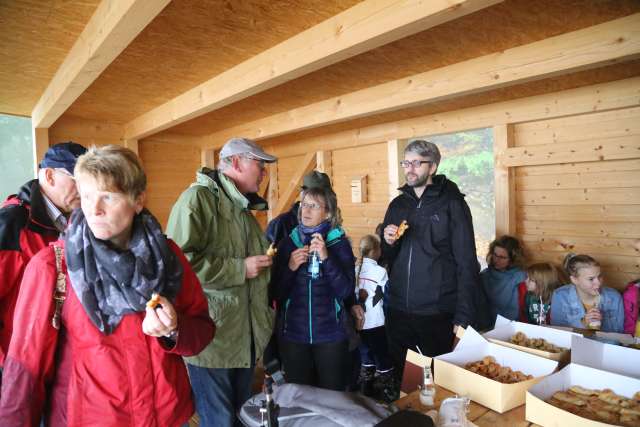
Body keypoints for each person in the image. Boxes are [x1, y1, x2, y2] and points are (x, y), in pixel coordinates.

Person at [0, 145, 214, 426]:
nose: (94, 209)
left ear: (138, 200)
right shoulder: (52, 266)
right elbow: (25, 371)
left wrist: (174, 330)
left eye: (108, 197)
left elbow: (203, 330)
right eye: (86, 195)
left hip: (167, 417)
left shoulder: (167, 254)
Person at [166, 137, 276, 427]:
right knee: (220, 422)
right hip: (212, 342)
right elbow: (178, 265)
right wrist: (240, 269)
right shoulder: (198, 200)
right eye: (259, 165)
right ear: (237, 162)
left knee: (241, 419)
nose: (264, 173)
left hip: (242, 341)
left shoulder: (242, 210)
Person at [381, 140, 477, 386]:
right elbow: (387, 258)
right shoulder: (397, 204)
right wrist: (388, 241)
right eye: (406, 162)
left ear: (432, 167)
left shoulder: (452, 204)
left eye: (417, 163)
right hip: (398, 308)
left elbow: (467, 262)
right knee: (403, 378)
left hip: (437, 312)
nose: (409, 169)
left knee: (435, 382)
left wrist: (462, 316)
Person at [0, 141, 86, 382]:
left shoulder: (74, 221)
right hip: (20, 365)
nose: (85, 189)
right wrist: (8, 365)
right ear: (49, 176)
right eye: (78, 180)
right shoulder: (13, 222)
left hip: (57, 357)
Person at [272, 186, 355, 391]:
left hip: (331, 336)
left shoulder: (339, 244)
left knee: (331, 397)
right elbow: (275, 294)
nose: (305, 211)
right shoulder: (289, 243)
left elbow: (345, 291)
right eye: (304, 205)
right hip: (293, 335)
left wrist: (327, 259)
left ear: (327, 212)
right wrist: (290, 268)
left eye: (314, 206)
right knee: (299, 397)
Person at [355, 234, 394, 401]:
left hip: (359, 322)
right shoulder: (380, 271)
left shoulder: (355, 269)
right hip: (376, 322)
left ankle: (366, 387)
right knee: (381, 355)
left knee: (366, 354)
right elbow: (387, 297)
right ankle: (386, 390)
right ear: (375, 251)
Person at [550, 253, 624, 332]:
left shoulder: (614, 297)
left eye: (599, 276)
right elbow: (557, 331)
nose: (598, 283)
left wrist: (602, 322)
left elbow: (619, 332)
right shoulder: (560, 296)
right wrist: (583, 323)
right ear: (574, 280)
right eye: (591, 279)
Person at [266, 170, 333, 246]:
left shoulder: (332, 225)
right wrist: (290, 258)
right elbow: (268, 256)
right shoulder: (279, 225)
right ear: (302, 195)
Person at [480, 236, 527, 325]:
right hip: (485, 326)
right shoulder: (484, 276)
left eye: (502, 257)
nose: (496, 260)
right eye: (495, 255)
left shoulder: (520, 277)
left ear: (513, 259)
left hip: (513, 326)